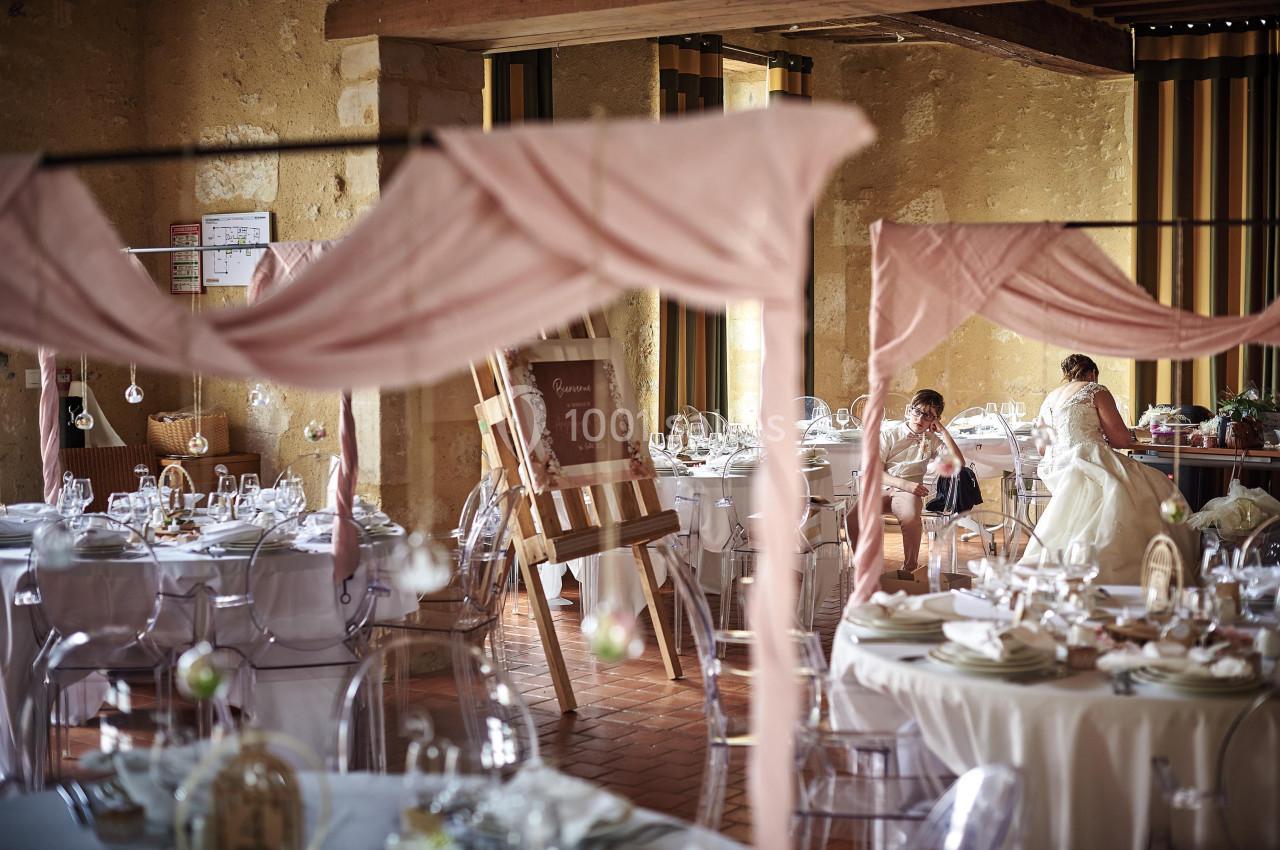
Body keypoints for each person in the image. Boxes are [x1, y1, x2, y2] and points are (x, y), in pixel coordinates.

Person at [1022, 354, 1193, 583]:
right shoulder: (1095, 390)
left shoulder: (1048, 400)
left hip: (1059, 467)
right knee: (1155, 482)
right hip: (1089, 460)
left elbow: (1042, 448)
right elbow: (1121, 439)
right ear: (1092, 373)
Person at [876, 389, 965, 571]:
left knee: (910, 517)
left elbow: (959, 463)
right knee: (856, 516)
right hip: (883, 487)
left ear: (935, 420)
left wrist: (942, 430)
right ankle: (865, 566)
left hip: (909, 494)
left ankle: (909, 568)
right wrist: (905, 484)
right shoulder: (888, 435)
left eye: (928, 416)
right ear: (909, 410)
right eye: (917, 412)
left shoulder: (931, 441)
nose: (920, 419)